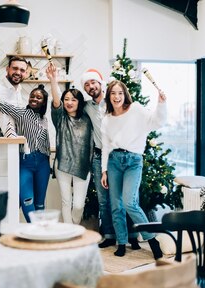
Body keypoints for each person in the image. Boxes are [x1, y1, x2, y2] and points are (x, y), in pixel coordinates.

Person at [100, 80, 166, 259]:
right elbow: (105, 147)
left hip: (134, 161)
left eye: (120, 93)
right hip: (114, 162)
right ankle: (121, 242)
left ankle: (152, 241)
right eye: (113, 93)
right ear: (109, 96)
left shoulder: (136, 110)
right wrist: (104, 171)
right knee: (116, 206)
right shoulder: (106, 120)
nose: (117, 96)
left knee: (130, 202)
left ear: (125, 94)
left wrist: (161, 103)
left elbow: (158, 122)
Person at [0, 83, 51, 223]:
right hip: (26, 161)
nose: (34, 99)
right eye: (32, 96)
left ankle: (40, 235)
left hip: (43, 162)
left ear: (44, 102)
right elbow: (1, 103)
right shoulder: (21, 113)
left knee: (40, 203)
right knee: (27, 200)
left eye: (38, 97)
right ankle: (35, 230)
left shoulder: (44, 119)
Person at [81, 69, 141, 249]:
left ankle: (132, 235)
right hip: (100, 156)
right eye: (87, 84)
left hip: (123, 156)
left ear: (100, 84)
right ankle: (108, 234)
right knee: (104, 199)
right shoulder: (86, 107)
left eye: (93, 82)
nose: (91, 86)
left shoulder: (116, 102)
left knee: (128, 198)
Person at [47, 64, 93, 224]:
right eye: (66, 99)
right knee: (66, 202)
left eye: (73, 99)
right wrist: (54, 80)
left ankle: (74, 226)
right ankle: (70, 233)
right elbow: (56, 101)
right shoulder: (60, 118)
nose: (69, 102)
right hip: (63, 165)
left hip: (83, 165)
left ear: (79, 102)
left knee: (79, 205)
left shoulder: (88, 118)